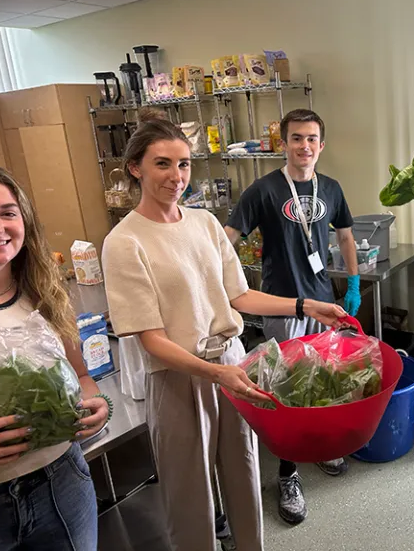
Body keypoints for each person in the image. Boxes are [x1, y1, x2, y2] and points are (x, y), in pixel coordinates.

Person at [101, 109, 346, 551]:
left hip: (232, 363)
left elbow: (240, 296)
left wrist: (307, 304)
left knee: (245, 473)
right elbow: (151, 339)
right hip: (178, 378)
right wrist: (215, 374)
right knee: (190, 492)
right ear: (135, 168)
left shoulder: (204, 223)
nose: (177, 177)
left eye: (183, 164)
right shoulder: (124, 241)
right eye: (162, 164)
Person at [0, 162, 109, 550]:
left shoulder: (44, 295)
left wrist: (95, 404)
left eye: (8, 213)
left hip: (61, 484)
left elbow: (81, 377)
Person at [225, 108, 360, 525]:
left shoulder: (332, 188)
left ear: (322, 144)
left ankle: (319, 447)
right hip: (282, 305)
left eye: (312, 139)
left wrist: (352, 283)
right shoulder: (263, 191)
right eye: (297, 138)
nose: (305, 146)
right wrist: (225, 288)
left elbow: (346, 236)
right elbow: (225, 241)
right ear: (283, 144)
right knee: (285, 393)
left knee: (322, 379)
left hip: (322, 301)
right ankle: (288, 474)